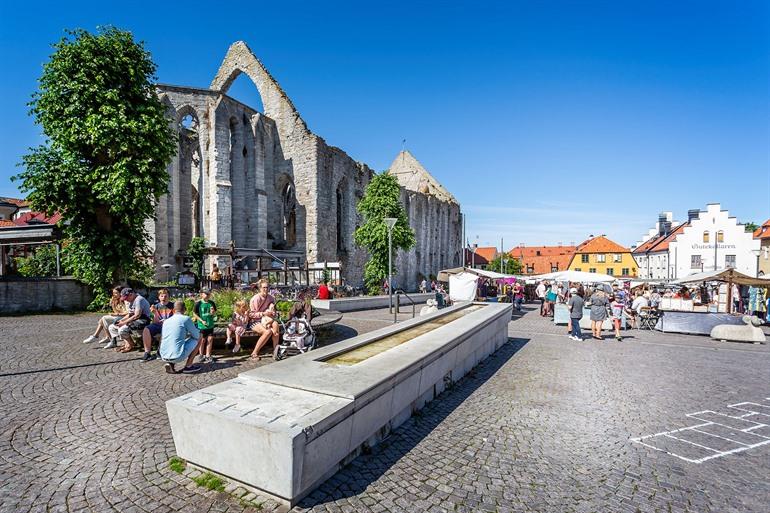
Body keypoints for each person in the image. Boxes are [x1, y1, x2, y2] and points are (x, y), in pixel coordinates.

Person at [159, 301, 202, 374]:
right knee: (200, 336)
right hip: (178, 356)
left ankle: (170, 363)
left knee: (174, 340)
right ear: (184, 309)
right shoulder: (185, 319)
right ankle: (189, 366)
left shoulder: (166, 321)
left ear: (173, 310)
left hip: (163, 355)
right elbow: (196, 336)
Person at [249, 278, 280, 360]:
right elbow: (251, 314)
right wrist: (263, 313)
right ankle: (254, 353)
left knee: (276, 327)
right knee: (268, 332)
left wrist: (273, 312)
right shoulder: (256, 299)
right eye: (264, 287)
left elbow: (274, 310)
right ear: (260, 288)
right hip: (255, 321)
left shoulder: (271, 298)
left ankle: (275, 351)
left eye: (267, 287)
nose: (266, 289)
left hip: (267, 319)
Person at [140, 289, 174, 361]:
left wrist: (167, 321)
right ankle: (147, 352)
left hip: (169, 326)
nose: (163, 298)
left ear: (169, 297)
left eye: (165, 296)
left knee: (164, 331)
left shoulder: (172, 306)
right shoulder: (156, 306)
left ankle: (160, 352)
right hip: (159, 324)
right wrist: (155, 313)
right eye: (162, 296)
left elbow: (176, 318)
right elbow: (156, 321)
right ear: (159, 297)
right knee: (146, 329)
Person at [192, 289, 217, 364]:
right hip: (201, 325)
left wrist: (212, 313)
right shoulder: (198, 303)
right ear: (201, 294)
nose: (207, 295)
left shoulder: (211, 303)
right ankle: (201, 354)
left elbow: (214, 313)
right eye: (206, 294)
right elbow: (194, 313)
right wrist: (201, 320)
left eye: (208, 294)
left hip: (210, 324)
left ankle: (208, 355)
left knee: (210, 339)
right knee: (202, 340)